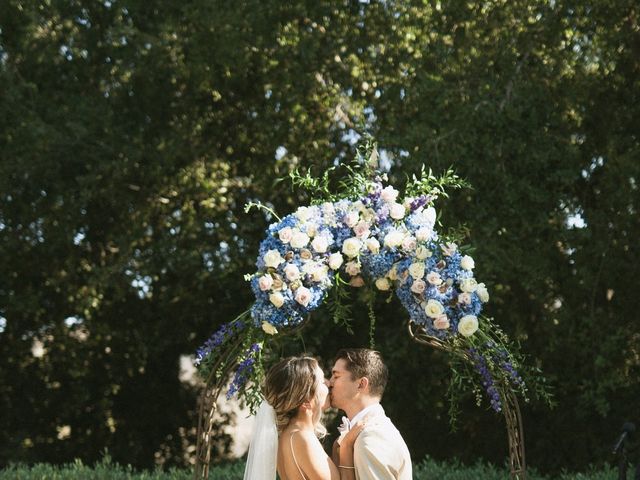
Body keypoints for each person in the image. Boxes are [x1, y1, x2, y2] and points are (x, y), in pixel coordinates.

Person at [243, 356, 365, 480]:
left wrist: (337, 447)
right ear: (306, 401)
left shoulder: (289, 434)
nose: (329, 383)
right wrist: (347, 446)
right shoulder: (302, 438)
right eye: (322, 381)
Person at [329, 348, 412, 480]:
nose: (329, 382)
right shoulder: (364, 433)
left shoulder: (372, 436)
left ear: (361, 384)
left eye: (336, 376)